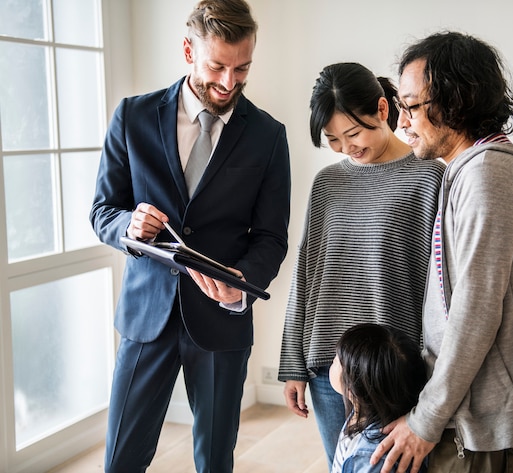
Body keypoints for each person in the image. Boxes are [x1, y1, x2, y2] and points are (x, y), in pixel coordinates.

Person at [89, 1, 290, 471]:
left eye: (242, 69)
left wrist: (241, 279)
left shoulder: (268, 136)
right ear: (187, 50)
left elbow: (271, 237)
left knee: (215, 461)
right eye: (216, 66)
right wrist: (128, 225)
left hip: (223, 321)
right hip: (146, 318)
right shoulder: (132, 117)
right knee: (121, 459)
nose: (228, 82)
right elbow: (102, 211)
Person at [370, 31, 513, 473]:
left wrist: (426, 421)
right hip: (477, 412)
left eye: (410, 105)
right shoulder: (473, 169)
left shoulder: (488, 177)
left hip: (490, 420)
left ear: (455, 101)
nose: (401, 121)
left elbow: (475, 311)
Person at [278, 62, 445, 470]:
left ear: (384, 110)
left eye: (353, 133)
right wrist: (292, 363)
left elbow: (438, 290)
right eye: (333, 139)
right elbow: (306, 274)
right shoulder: (326, 183)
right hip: (327, 367)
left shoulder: (428, 178)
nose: (346, 147)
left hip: (392, 372)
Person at [329, 323, 428, 473]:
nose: (333, 361)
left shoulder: (373, 457)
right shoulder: (360, 413)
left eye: (336, 361)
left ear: (354, 390)